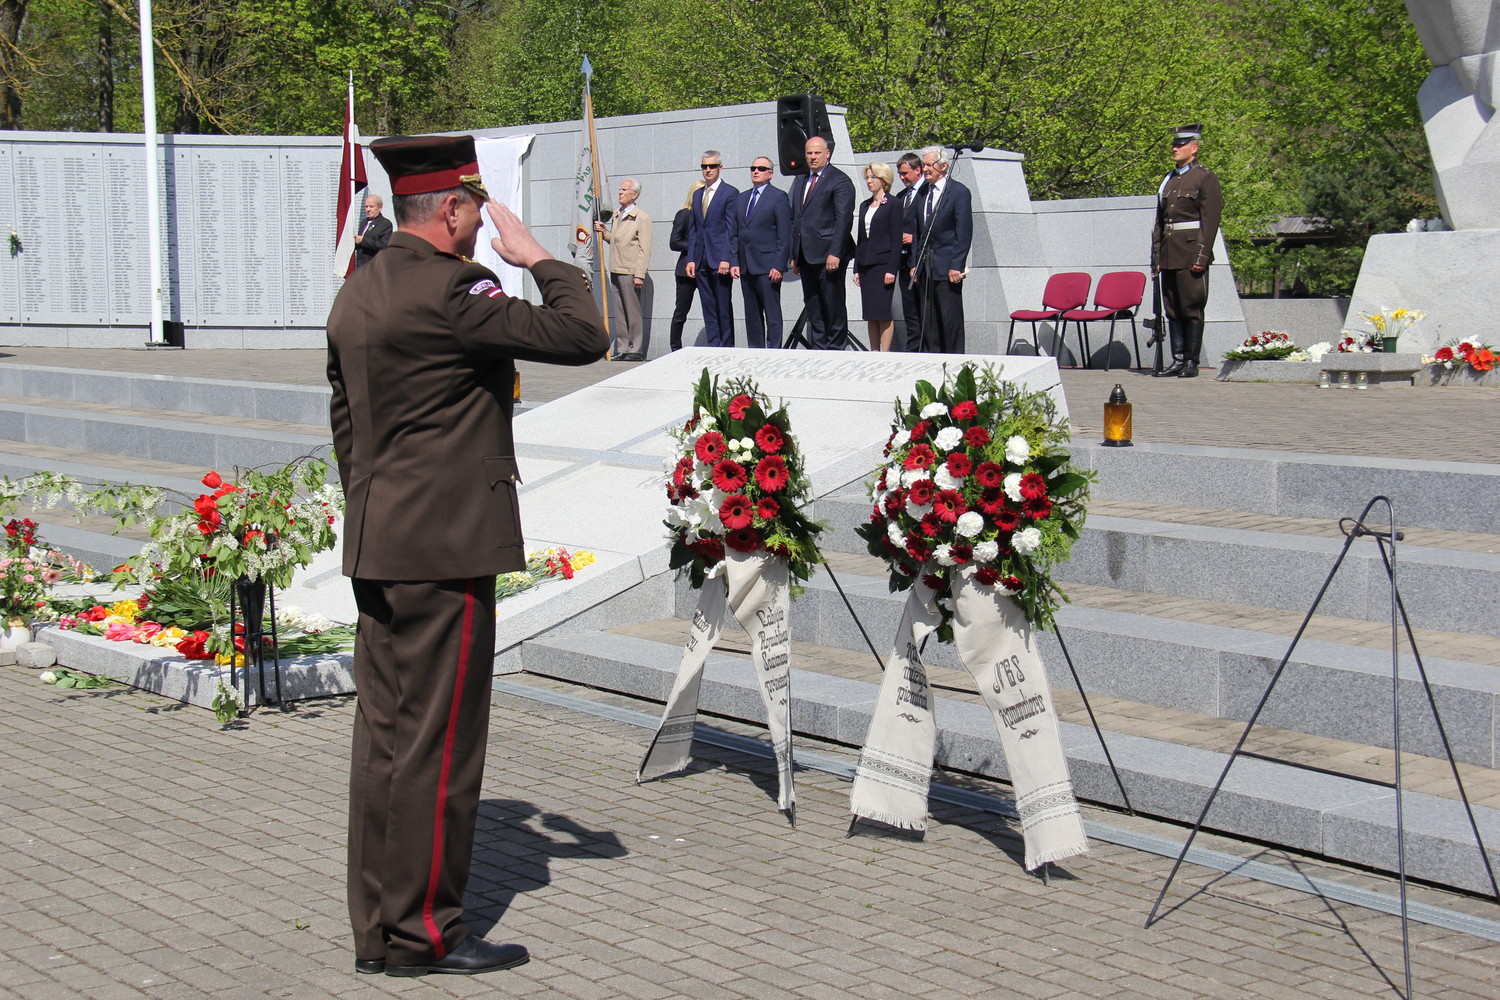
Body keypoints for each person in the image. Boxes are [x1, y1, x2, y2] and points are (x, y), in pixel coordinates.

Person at [327, 134, 608, 979]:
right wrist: (539, 258)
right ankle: (425, 935)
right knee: (439, 746)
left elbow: (347, 424)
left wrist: (376, 510)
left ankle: (379, 929)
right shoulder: (455, 289)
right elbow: (583, 334)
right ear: (450, 208)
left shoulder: (358, 289)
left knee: (385, 741)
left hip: (382, 541)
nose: (487, 225)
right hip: (443, 549)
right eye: (478, 210)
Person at [1151, 123, 1221, 378]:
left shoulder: (1204, 177)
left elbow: (1210, 221)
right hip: (1169, 252)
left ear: (1194, 148)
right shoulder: (1168, 179)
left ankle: (1191, 361)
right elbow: (1160, 221)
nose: (1175, 148)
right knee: (1172, 309)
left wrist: (1201, 255)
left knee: (1192, 307)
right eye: (1174, 144)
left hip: (1191, 252)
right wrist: (1156, 256)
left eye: (1180, 145)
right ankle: (1178, 359)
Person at [787, 135, 856, 350]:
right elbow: (796, 219)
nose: (813, 157)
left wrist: (836, 252)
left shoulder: (839, 180)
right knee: (813, 305)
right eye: (809, 153)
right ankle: (819, 349)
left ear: (827, 154)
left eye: (817, 153)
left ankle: (836, 348)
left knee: (832, 305)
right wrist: (794, 254)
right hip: (806, 255)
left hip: (829, 255)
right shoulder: (801, 181)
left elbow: (843, 220)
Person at [907, 145, 972, 354]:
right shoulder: (923, 192)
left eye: (929, 165)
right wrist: (914, 263)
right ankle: (933, 359)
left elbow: (963, 233)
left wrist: (956, 265)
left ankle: (954, 361)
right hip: (925, 266)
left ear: (943, 166)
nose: (925, 169)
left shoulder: (958, 192)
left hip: (947, 267)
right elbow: (917, 232)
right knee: (929, 322)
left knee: (949, 320)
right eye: (923, 165)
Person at [729, 156, 791, 348]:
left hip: (768, 266)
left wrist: (778, 265)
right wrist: (734, 262)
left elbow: (784, 234)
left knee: (772, 314)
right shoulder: (742, 198)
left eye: (761, 169)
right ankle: (755, 351)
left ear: (770, 174)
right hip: (746, 266)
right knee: (752, 315)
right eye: (753, 168)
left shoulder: (778, 197)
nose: (756, 171)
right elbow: (735, 233)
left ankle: (773, 351)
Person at [595, 178, 653, 360]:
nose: (620, 192)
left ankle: (635, 349)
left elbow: (645, 249)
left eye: (624, 190)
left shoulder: (641, 218)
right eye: (620, 189)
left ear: (634, 194)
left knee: (633, 311)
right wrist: (604, 232)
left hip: (630, 270)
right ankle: (623, 348)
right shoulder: (617, 215)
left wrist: (639, 274)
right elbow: (616, 240)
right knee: (620, 312)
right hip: (616, 268)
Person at [685, 150, 739, 346]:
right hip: (700, 259)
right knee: (708, 306)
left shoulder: (730, 193)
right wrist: (691, 258)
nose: (708, 170)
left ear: (720, 167)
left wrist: (727, 258)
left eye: (712, 166)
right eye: (704, 166)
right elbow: (694, 230)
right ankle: (713, 345)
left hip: (719, 259)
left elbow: (731, 229)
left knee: (723, 305)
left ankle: (727, 346)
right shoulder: (698, 194)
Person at [852, 160, 904, 352]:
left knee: (882, 310)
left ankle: (885, 351)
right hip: (866, 263)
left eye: (873, 177)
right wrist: (856, 268)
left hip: (883, 264)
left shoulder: (893, 204)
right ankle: (873, 350)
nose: (869, 181)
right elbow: (860, 238)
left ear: (884, 179)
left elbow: (896, 239)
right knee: (870, 312)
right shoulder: (864, 205)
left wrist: (892, 269)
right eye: (867, 177)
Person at [667, 181, 705, 351]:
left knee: (712, 309)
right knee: (681, 311)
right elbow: (674, 242)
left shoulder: (708, 216)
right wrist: (696, 246)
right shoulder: (684, 214)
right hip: (685, 272)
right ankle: (675, 347)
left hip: (705, 268)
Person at [893, 153, 926, 351]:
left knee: (923, 310)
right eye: (899, 174)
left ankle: (926, 349)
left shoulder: (927, 192)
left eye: (905, 173)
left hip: (921, 260)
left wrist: (914, 238)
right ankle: (913, 349)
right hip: (904, 261)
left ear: (917, 170)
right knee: (910, 310)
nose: (902, 177)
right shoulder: (901, 196)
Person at [353, 194, 392, 269]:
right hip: (361, 267)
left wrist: (363, 241)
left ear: (380, 207)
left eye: (371, 206)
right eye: (366, 206)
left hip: (375, 268)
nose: (368, 209)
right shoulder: (363, 223)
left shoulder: (385, 224)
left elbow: (384, 246)